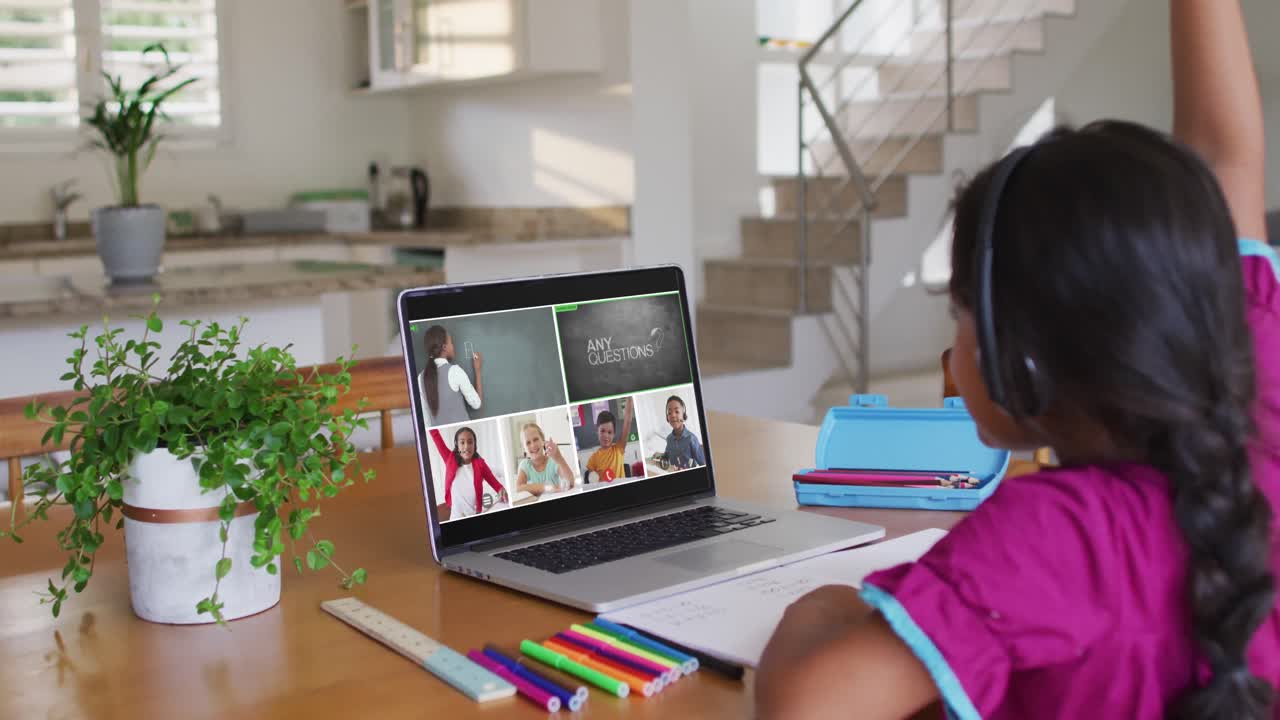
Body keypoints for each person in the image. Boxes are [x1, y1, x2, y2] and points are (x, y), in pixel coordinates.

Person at [755, 1, 1280, 718]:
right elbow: (1226, 157)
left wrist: (823, 606)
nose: (951, 348)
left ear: (1019, 355)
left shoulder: (1054, 536)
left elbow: (808, 707)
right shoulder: (1258, 377)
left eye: (960, 310)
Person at [429, 427, 505, 519]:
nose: (466, 446)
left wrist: (502, 490)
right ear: (457, 445)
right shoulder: (449, 459)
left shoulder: (481, 464)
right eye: (462, 442)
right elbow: (436, 436)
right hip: (456, 515)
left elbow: (496, 484)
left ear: (474, 444)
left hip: (474, 514)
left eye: (470, 442)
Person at [419, 325, 482, 427]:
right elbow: (476, 404)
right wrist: (477, 370)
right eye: (451, 343)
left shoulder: (420, 379)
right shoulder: (455, 371)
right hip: (466, 430)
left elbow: (427, 422)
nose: (453, 346)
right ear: (444, 347)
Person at [514, 422, 576, 497]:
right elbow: (519, 488)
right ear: (524, 448)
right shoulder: (525, 465)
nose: (533, 445)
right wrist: (549, 488)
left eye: (536, 439)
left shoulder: (553, 460)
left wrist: (558, 457)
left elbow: (570, 483)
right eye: (528, 443)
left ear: (543, 441)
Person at [585, 399, 635, 483]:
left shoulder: (619, 448)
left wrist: (629, 398)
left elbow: (628, 422)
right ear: (597, 431)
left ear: (614, 434)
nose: (606, 435)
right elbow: (592, 479)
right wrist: (593, 476)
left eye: (609, 432)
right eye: (602, 431)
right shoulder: (593, 458)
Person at [662, 395, 705, 469]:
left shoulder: (691, 438)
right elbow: (667, 457)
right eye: (669, 413)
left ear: (684, 415)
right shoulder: (669, 439)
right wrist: (660, 456)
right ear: (667, 418)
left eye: (677, 411)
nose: (673, 415)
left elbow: (703, 463)